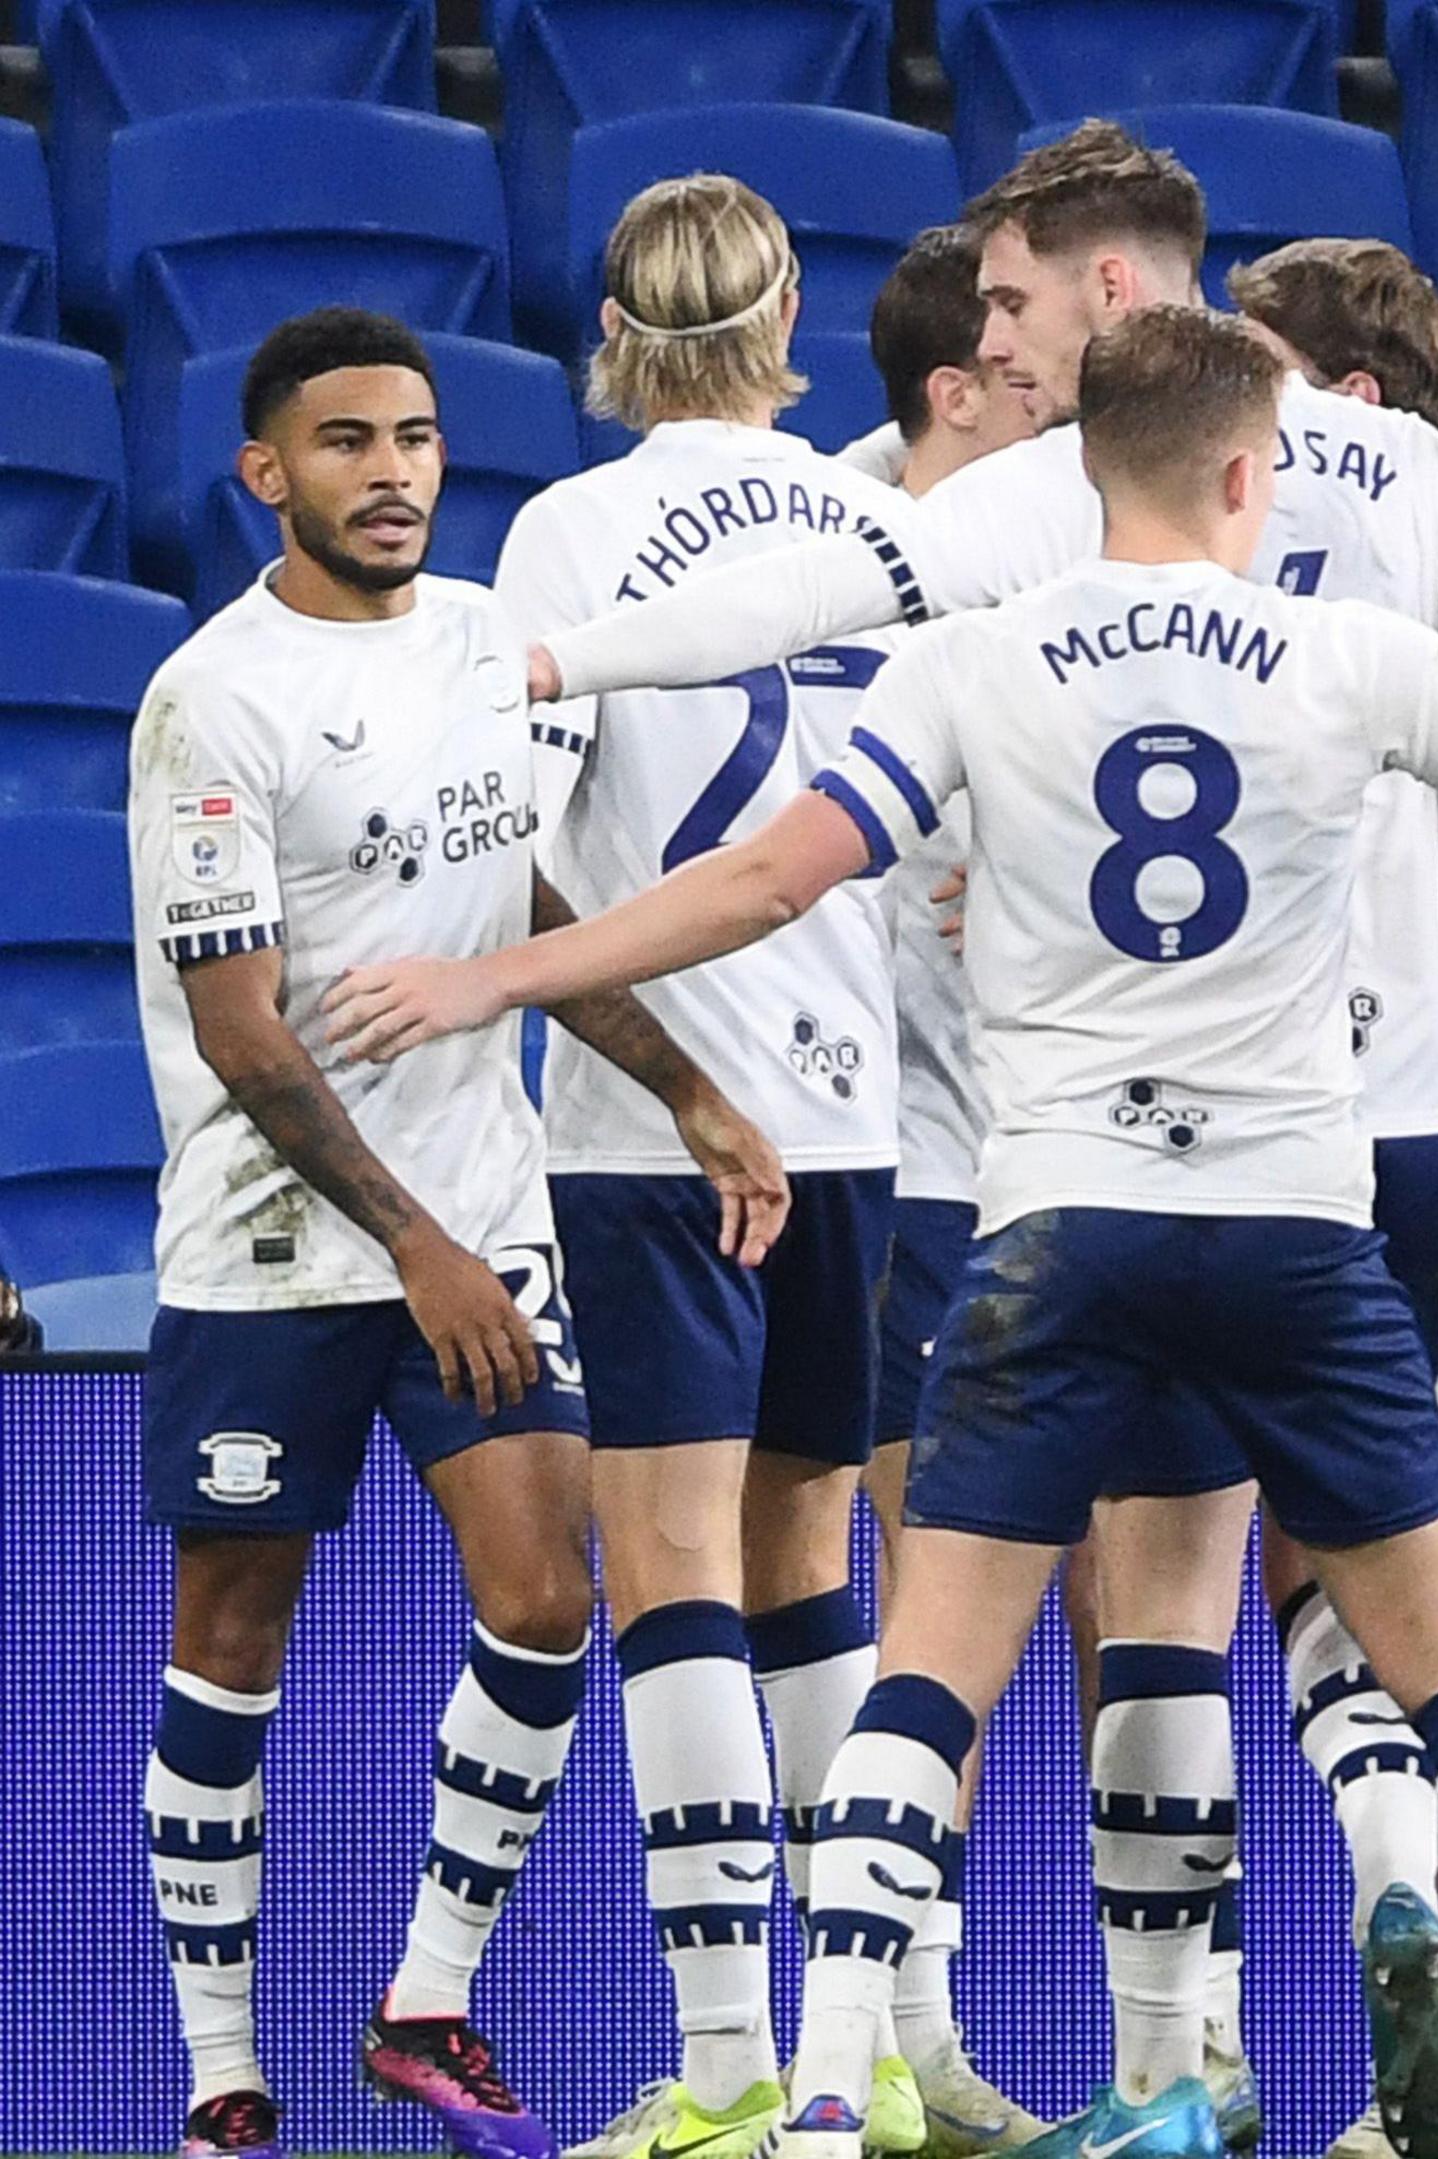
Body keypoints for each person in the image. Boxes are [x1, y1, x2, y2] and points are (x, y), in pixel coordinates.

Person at [325, 307, 1438, 2159]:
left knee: (930, 1675)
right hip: (1290, 1231)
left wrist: (502, 974)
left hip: (1056, 1231)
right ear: (1255, 470)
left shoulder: (977, 663)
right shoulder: (1360, 656)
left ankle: (828, 2093)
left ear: (1082, 465)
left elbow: (764, 877)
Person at [129, 307, 783, 2159]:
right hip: (272, 1249)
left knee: (547, 1601)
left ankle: (424, 1998)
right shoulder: (215, 696)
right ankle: (218, 2068)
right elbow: (245, 1027)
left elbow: (530, 892)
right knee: (232, 1636)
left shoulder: (503, 642)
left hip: (480, 1224)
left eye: (413, 436)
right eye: (345, 441)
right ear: (268, 473)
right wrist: (419, 1245)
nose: (393, 469)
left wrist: (685, 1084)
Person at [495, 175, 942, 2159]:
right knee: (818, 1570)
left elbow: (501, 851)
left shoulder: (566, 535)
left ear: (617, 330)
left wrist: (676, 1076)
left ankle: (729, 2061)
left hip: (653, 1122)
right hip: (871, 1122)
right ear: (789, 329)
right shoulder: (889, 525)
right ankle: (882, 2057)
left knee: (669, 1570)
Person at [1229, 231, 1438, 2080]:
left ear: (1343, 398)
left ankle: (1367, 1926)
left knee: (1301, 1565)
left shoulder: (1352, 541)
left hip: (1287, 1132)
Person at [846, 219, 1049, 2159]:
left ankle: (1188, 2031)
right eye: (1011, 351)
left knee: (1109, 1608)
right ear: (956, 395)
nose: (1043, 378)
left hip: (1060, 1158)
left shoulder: (1074, 553)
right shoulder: (836, 558)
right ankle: (904, 2040)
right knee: (937, 1607)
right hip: (902, 1163)